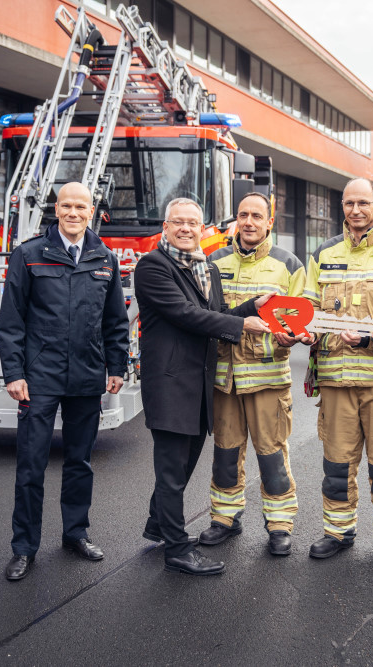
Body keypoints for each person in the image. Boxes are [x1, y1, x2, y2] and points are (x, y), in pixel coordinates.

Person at [0, 181, 130, 581]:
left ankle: (75, 534)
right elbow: (11, 320)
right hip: (39, 378)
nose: (73, 213)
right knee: (31, 465)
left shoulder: (104, 257)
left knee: (80, 463)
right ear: (56, 209)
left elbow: (115, 321)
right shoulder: (29, 255)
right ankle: (24, 547)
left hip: (87, 376)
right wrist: (14, 373)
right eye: (66, 205)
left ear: (92, 211)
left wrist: (117, 367)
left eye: (81, 206)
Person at [135, 197, 271, 576]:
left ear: (202, 229)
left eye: (192, 223)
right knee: (171, 470)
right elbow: (185, 314)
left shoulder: (205, 268)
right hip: (170, 386)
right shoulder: (152, 266)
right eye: (177, 222)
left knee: (182, 466)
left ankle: (158, 525)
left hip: (198, 387)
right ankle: (177, 550)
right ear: (165, 227)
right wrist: (243, 327)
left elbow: (215, 315)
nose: (185, 229)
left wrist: (250, 308)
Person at [301, 177, 373, 570]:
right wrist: (300, 328)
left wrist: (371, 332)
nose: (355, 210)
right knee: (336, 462)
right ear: (343, 206)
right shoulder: (323, 252)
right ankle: (338, 531)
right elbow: (305, 302)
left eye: (363, 203)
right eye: (349, 203)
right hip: (335, 378)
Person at [198, 192, 306, 557]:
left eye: (256, 216)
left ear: (269, 222)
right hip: (224, 379)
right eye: (243, 214)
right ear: (235, 220)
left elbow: (299, 320)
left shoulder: (289, 265)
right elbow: (203, 314)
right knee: (225, 454)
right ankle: (224, 520)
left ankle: (279, 526)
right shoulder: (213, 260)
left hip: (267, 378)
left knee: (272, 455)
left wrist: (290, 336)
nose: (248, 222)